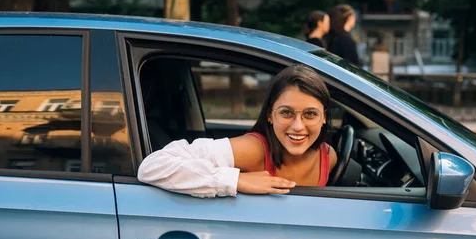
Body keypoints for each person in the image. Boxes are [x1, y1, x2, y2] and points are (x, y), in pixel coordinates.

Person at [137, 65, 338, 198]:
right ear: (269, 115)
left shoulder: (328, 157)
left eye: (310, 114)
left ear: (324, 118)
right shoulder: (253, 149)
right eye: (286, 113)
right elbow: (153, 167)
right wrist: (235, 180)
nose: (298, 126)